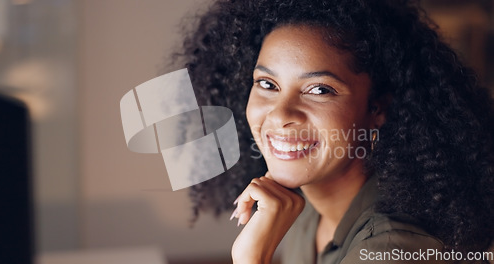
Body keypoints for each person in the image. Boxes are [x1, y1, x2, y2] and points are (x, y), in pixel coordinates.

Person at [175, 0, 494, 263]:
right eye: (267, 84)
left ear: (376, 110)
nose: (281, 114)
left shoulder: (390, 248)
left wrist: (252, 258)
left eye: (319, 90)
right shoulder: (300, 208)